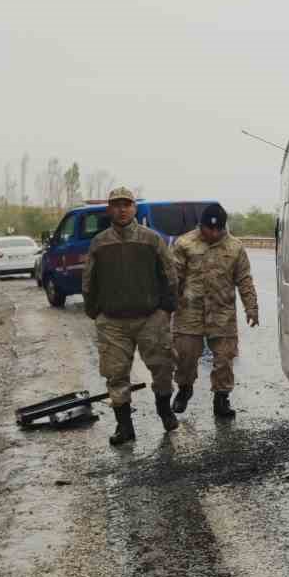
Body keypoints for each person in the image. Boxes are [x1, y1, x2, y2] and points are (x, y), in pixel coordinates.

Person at [82, 186, 179, 444]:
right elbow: (89, 280)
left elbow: (170, 275)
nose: (122, 209)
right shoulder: (100, 242)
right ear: (109, 209)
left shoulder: (151, 239)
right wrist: (95, 311)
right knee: (116, 374)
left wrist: (166, 309)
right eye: (116, 205)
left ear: (134, 208)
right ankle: (124, 427)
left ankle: (164, 409)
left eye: (126, 204)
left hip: (150, 318)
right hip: (112, 322)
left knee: (162, 367)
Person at [170, 203, 259, 419]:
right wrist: (165, 308)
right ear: (201, 225)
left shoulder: (235, 247)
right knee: (185, 356)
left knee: (224, 359)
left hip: (222, 314)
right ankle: (184, 389)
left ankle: (221, 399)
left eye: (218, 229)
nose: (214, 233)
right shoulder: (184, 244)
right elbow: (172, 279)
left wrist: (251, 307)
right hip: (189, 312)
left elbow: (244, 279)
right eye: (209, 229)